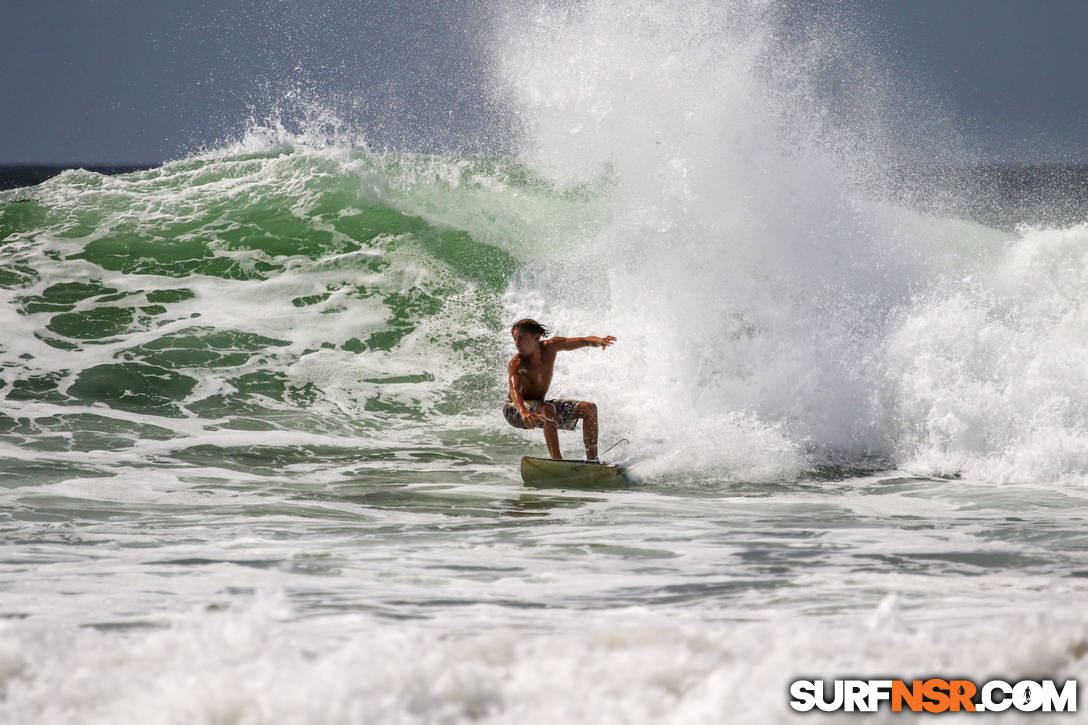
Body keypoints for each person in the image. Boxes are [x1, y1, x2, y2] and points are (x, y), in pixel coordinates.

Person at [503, 318, 616, 461]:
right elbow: (514, 391)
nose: (517, 344)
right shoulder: (516, 363)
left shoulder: (551, 347)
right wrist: (524, 412)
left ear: (536, 337)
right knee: (547, 409)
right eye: (515, 339)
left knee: (589, 408)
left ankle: (593, 461)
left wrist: (600, 341)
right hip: (514, 409)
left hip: (540, 406)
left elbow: (584, 340)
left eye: (521, 338)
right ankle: (558, 462)